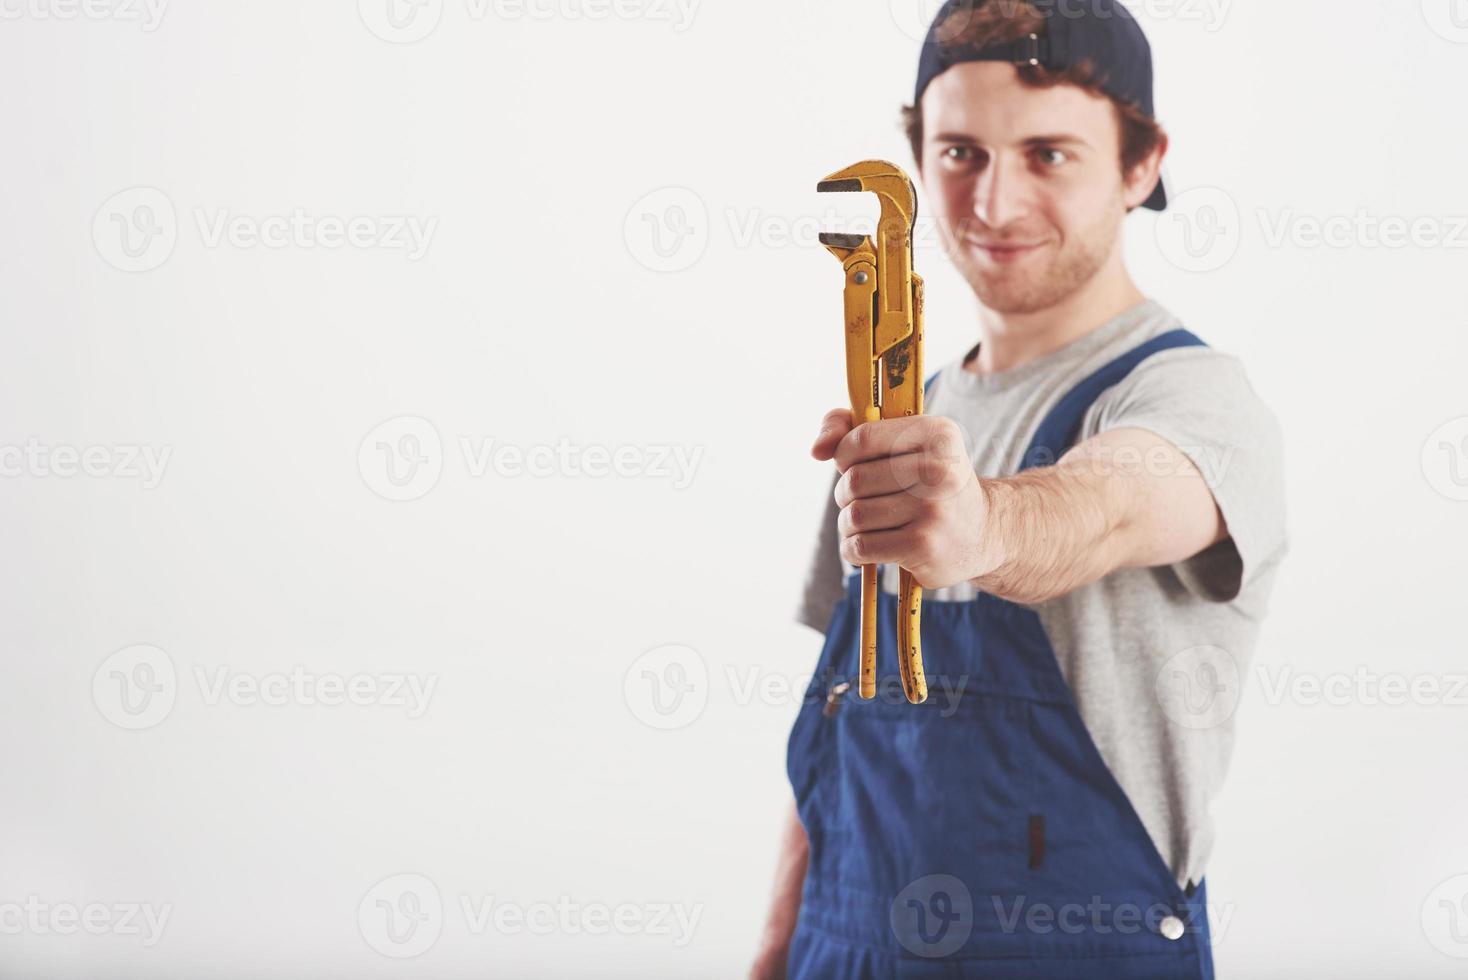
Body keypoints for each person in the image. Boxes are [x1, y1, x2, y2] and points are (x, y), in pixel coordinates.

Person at [751, 1, 1287, 977]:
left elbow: (1112, 502)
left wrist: (986, 521)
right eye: (959, 153)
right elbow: (841, 735)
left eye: (1048, 154)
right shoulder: (899, 414)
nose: (993, 204)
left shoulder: (1189, 395)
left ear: (1141, 164)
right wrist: (775, 947)